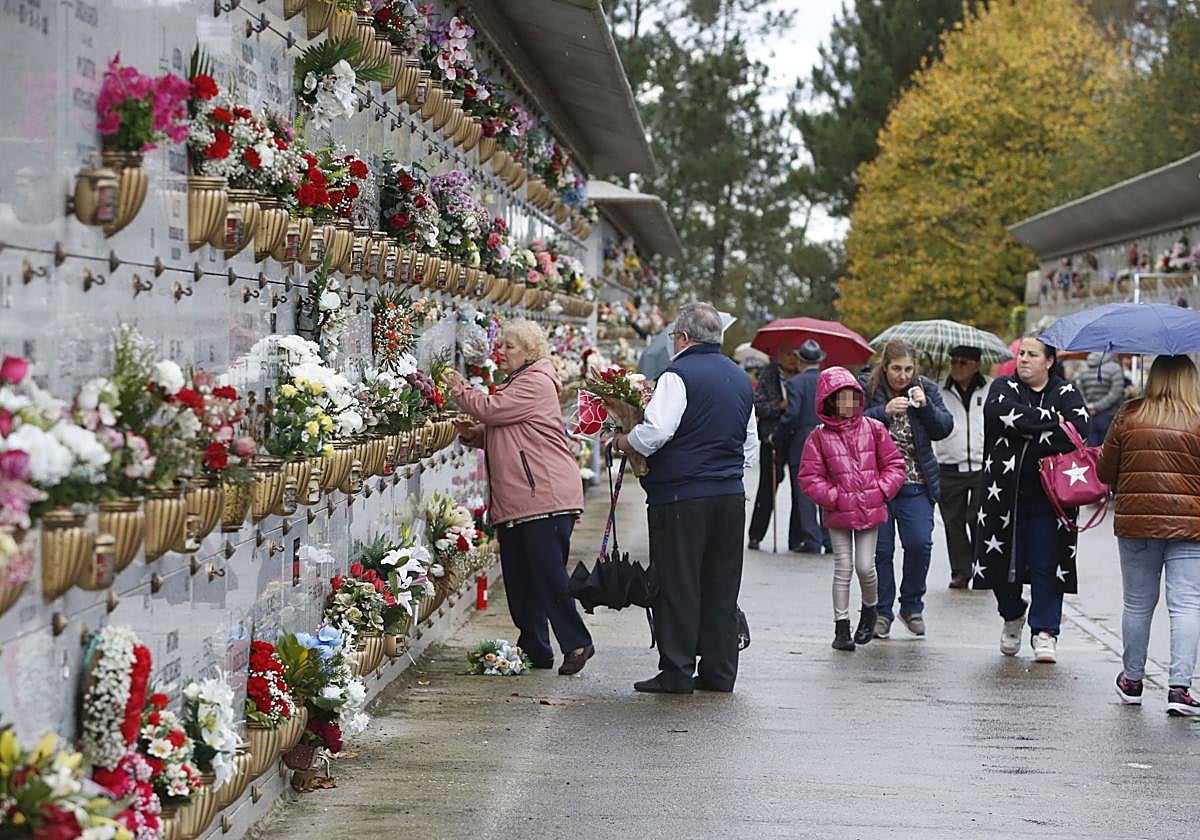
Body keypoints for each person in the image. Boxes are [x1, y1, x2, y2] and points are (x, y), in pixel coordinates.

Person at [613, 302, 757, 694]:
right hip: (729, 496)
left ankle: (676, 670)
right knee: (721, 585)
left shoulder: (678, 375)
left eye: (674, 336)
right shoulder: (740, 378)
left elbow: (657, 431)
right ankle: (720, 671)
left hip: (681, 497)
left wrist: (626, 440)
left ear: (683, 337)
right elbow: (750, 445)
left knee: (678, 583)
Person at [445, 320, 594, 676]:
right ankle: (535, 647)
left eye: (510, 346)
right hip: (520, 500)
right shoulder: (520, 382)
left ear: (530, 352)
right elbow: (510, 430)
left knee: (547, 576)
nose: (502, 351)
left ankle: (577, 641)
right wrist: (476, 435)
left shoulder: (536, 381)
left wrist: (459, 388)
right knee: (519, 578)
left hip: (543, 496)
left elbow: (495, 411)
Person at [971, 337, 1089, 664]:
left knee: (1046, 564)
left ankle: (1045, 631)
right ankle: (1012, 615)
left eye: (1032, 355)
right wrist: (1051, 426)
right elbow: (998, 414)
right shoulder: (1002, 387)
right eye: (1021, 353)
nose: (1023, 359)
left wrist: (1026, 430)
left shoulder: (1066, 393)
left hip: (1051, 500)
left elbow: (1077, 431)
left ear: (1049, 361)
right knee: (999, 565)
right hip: (1003, 497)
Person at [1098, 355, 1200, 715]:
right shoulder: (1198, 417)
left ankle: (1133, 681)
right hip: (1191, 525)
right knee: (1186, 605)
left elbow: (1105, 470)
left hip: (1138, 523)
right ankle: (1179, 688)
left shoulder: (1130, 413)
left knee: (1138, 604)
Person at [799, 367, 906, 651]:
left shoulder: (874, 428)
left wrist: (880, 490)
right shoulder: (819, 437)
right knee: (843, 568)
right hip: (838, 513)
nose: (847, 405)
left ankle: (870, 609)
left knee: (865, 566)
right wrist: (833, 497)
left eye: (852, 398)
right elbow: (809, 478)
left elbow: (895, 465)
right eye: (841, 399)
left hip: (870, 509)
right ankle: (841, 626)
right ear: (830, 401)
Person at [862, 340, 954, 639]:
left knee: (919, 544)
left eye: (908, 369)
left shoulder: (925, 389)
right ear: (884, 366)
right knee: (882, 551)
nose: (902, 376)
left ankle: (912, 605)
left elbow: (944, 427)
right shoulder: (868, 388)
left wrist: (925, 406)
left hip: (916, 482)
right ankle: (882, 612)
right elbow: (851, 425)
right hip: (876, 484)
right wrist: (882, 411)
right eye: (896, 369)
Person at [933, 346, 991, 589]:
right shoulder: (937, 390)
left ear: (976, 365)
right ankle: (961, 571)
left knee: (977, 517)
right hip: (949, 463)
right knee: (952, 521)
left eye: (963, 362)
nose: (957, 366)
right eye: (953, 361)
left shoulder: (991, 388)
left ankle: (981, 567)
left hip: (981, 464)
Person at [772, 340, 831, 554]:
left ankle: (812, 540)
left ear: (801, 361)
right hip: (829, 440)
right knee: (826, 491)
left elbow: (792, 414)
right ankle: (829, 538)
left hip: (803, 443)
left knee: (805, 494)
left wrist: (776, 435)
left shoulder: (795, 383)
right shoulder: (828, 381)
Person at [747, 345, 800, 550]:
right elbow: (758, 405)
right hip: (772, 436)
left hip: (796, 437)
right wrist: (780, 406)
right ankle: (756, 535)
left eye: (795, 354)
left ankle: (798, 539)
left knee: (800, 490)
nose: (793, 358)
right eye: (788, 353)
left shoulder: (803, 375)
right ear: (777, 355)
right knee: (767, 487)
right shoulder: (769, 374)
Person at [1074, 351, 1125, 446]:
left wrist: (1088, 406)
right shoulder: (1115, 368)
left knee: (1092, 451)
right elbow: (1116, 392)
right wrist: (1097, 406)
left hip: (1089, 415)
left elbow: (1079, 391)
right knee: (1109, 450)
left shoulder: (1084, 368)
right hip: (1110, 415)